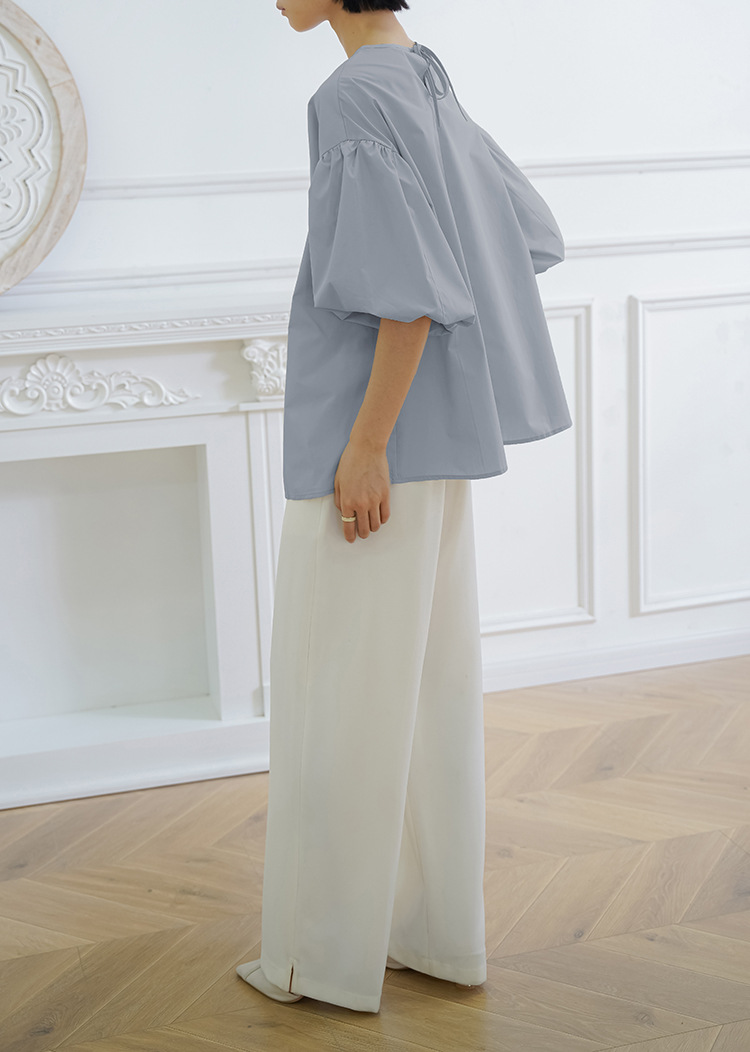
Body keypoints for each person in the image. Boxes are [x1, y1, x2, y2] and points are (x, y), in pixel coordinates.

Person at [236, 0, 572, 1013]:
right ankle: (433, 935)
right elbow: (526, 233)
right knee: (426, 701)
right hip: (441, 448)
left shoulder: (351, 97)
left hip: (371, 448)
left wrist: (368, 444)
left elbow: (409, 292)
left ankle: (320, 958)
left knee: (335, 701)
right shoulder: (425, 75)